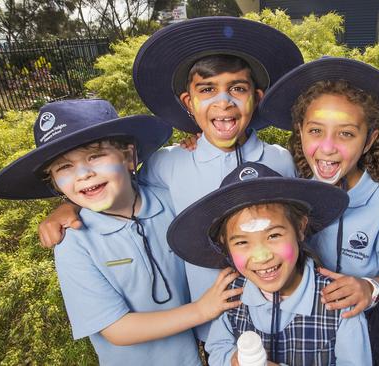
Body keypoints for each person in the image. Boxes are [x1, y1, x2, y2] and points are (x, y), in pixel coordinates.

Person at [37, 16, 304, 343]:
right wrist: (67, 207)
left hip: (284, 318)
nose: (224, 102)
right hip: (214, 331)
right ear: (188, 103)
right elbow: (114, 186)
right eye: (207, 90)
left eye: (238, 88)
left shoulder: (280, 160)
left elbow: (300, 227)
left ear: (257, 97)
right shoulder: (168, 163)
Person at [0, 99, 242, 365]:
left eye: (95, 156)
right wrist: (200, 310)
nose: (83, 174)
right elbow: (117, 330)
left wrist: (201, 147)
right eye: (64, 167)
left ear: (129, 157)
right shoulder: (74, 242)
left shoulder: (171, 198)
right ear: (56, 184)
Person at [258, 57, 379, 365]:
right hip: (297, 326)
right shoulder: (291, 193)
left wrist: (371, 287)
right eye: (316, 131)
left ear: (369, 140)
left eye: (346, 134)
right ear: (300, 131)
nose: (327, 147)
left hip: (359, 325)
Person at [167, 162, 372, 366]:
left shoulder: (339, 304)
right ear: (225, 245)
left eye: (273, 235)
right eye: (241, 242)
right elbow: (217, 347)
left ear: (300, 228)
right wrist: (233, 360)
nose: (261, 256)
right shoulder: (232, 295)